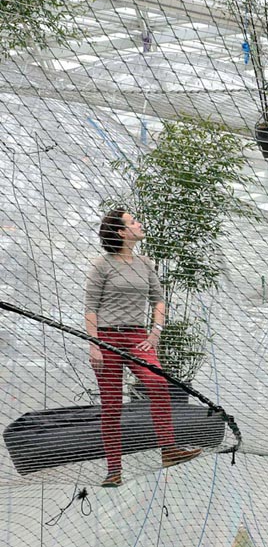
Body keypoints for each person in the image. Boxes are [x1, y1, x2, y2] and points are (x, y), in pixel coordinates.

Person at [85, 209, 201, 488]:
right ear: (121, 232)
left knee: (157, 382)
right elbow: (90, 308)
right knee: (112, 405)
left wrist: (155, 332)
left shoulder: (145, 263)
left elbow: (158, 300)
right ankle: (114, 470)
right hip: (107, 339)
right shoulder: (102, 265)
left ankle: (169, 450)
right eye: (133, 222)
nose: (139, 224)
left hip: (138, 337)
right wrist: (95, 345)